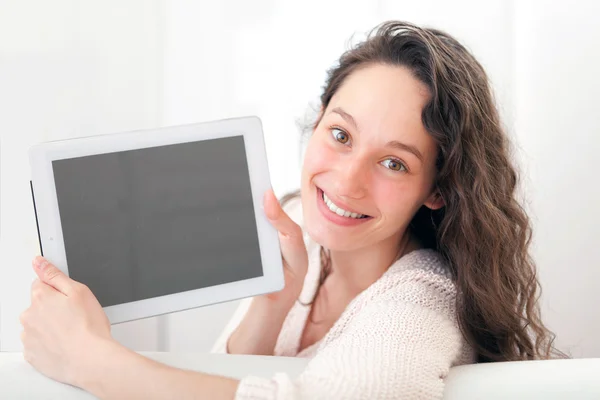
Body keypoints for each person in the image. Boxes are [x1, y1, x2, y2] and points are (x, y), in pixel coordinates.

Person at [19, 21, 562, 399]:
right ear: (319, 118)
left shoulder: (422, 304)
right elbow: (226, 373)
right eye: (341, 134)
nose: (346, 182)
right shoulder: (300, 223)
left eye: (394, 163)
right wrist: (271, 306)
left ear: (436, 189)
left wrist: (87, 359)